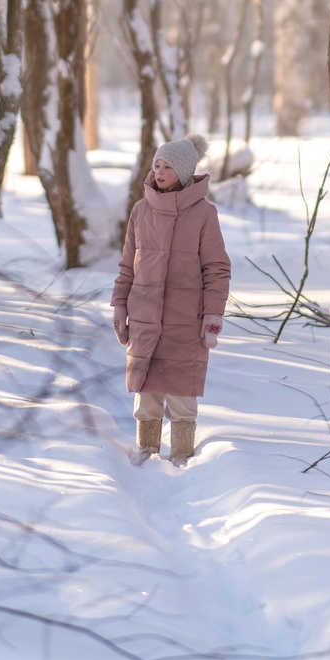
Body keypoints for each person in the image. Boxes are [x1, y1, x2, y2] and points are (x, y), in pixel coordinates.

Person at [111, 134, 231, 465]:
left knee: (181, 393)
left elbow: (217, 269)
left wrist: (213, 315)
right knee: (146, 392)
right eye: (157, 165)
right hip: (144, 315)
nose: (160, 172)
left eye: (168, 167)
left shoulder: (204, 213)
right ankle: (146, 452)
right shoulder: (141, 210)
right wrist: (120, 305)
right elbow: (127, 265)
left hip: (185, 319)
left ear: (185, 172)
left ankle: (181, 455)